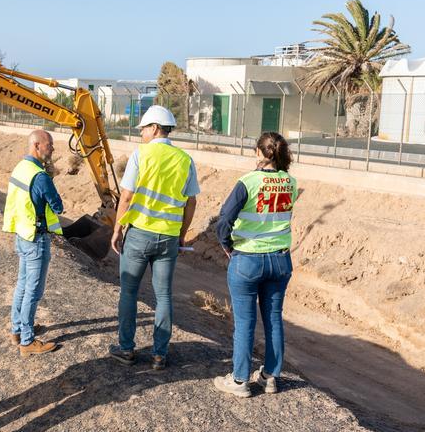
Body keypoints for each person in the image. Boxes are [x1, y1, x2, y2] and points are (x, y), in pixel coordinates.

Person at [109, 105, 200, 371]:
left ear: (155, 128)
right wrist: (182, 234)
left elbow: (126, 196)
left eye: (144, 129)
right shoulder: (185, 159)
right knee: (164, 295)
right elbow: (190, 202)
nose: (141, 134)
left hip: (139, 233)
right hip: (169, 237)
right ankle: (160, 354)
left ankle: (126, 348)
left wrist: (117, 229)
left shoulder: (141, 155)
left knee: (129, 291)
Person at [213, 132, 298, 397]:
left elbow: (224, 218)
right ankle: (270, 376)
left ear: (259, 152)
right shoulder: (290, 182)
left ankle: (240, 381)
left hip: (248, 259)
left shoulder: (247, 181)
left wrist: (226, 244)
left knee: (245, 322)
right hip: (280, 260)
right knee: (273, 319)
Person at [2, 129, 64, 357]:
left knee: (22, 285)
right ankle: (27, 341)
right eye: (50, 145)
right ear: (37, 145)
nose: (53, 149)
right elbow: (58, 207)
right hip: (36, 239)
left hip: (22, 234)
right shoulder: (40, 176)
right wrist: (49, 180)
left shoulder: (21, 168)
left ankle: (17, 330)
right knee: (33, 292)